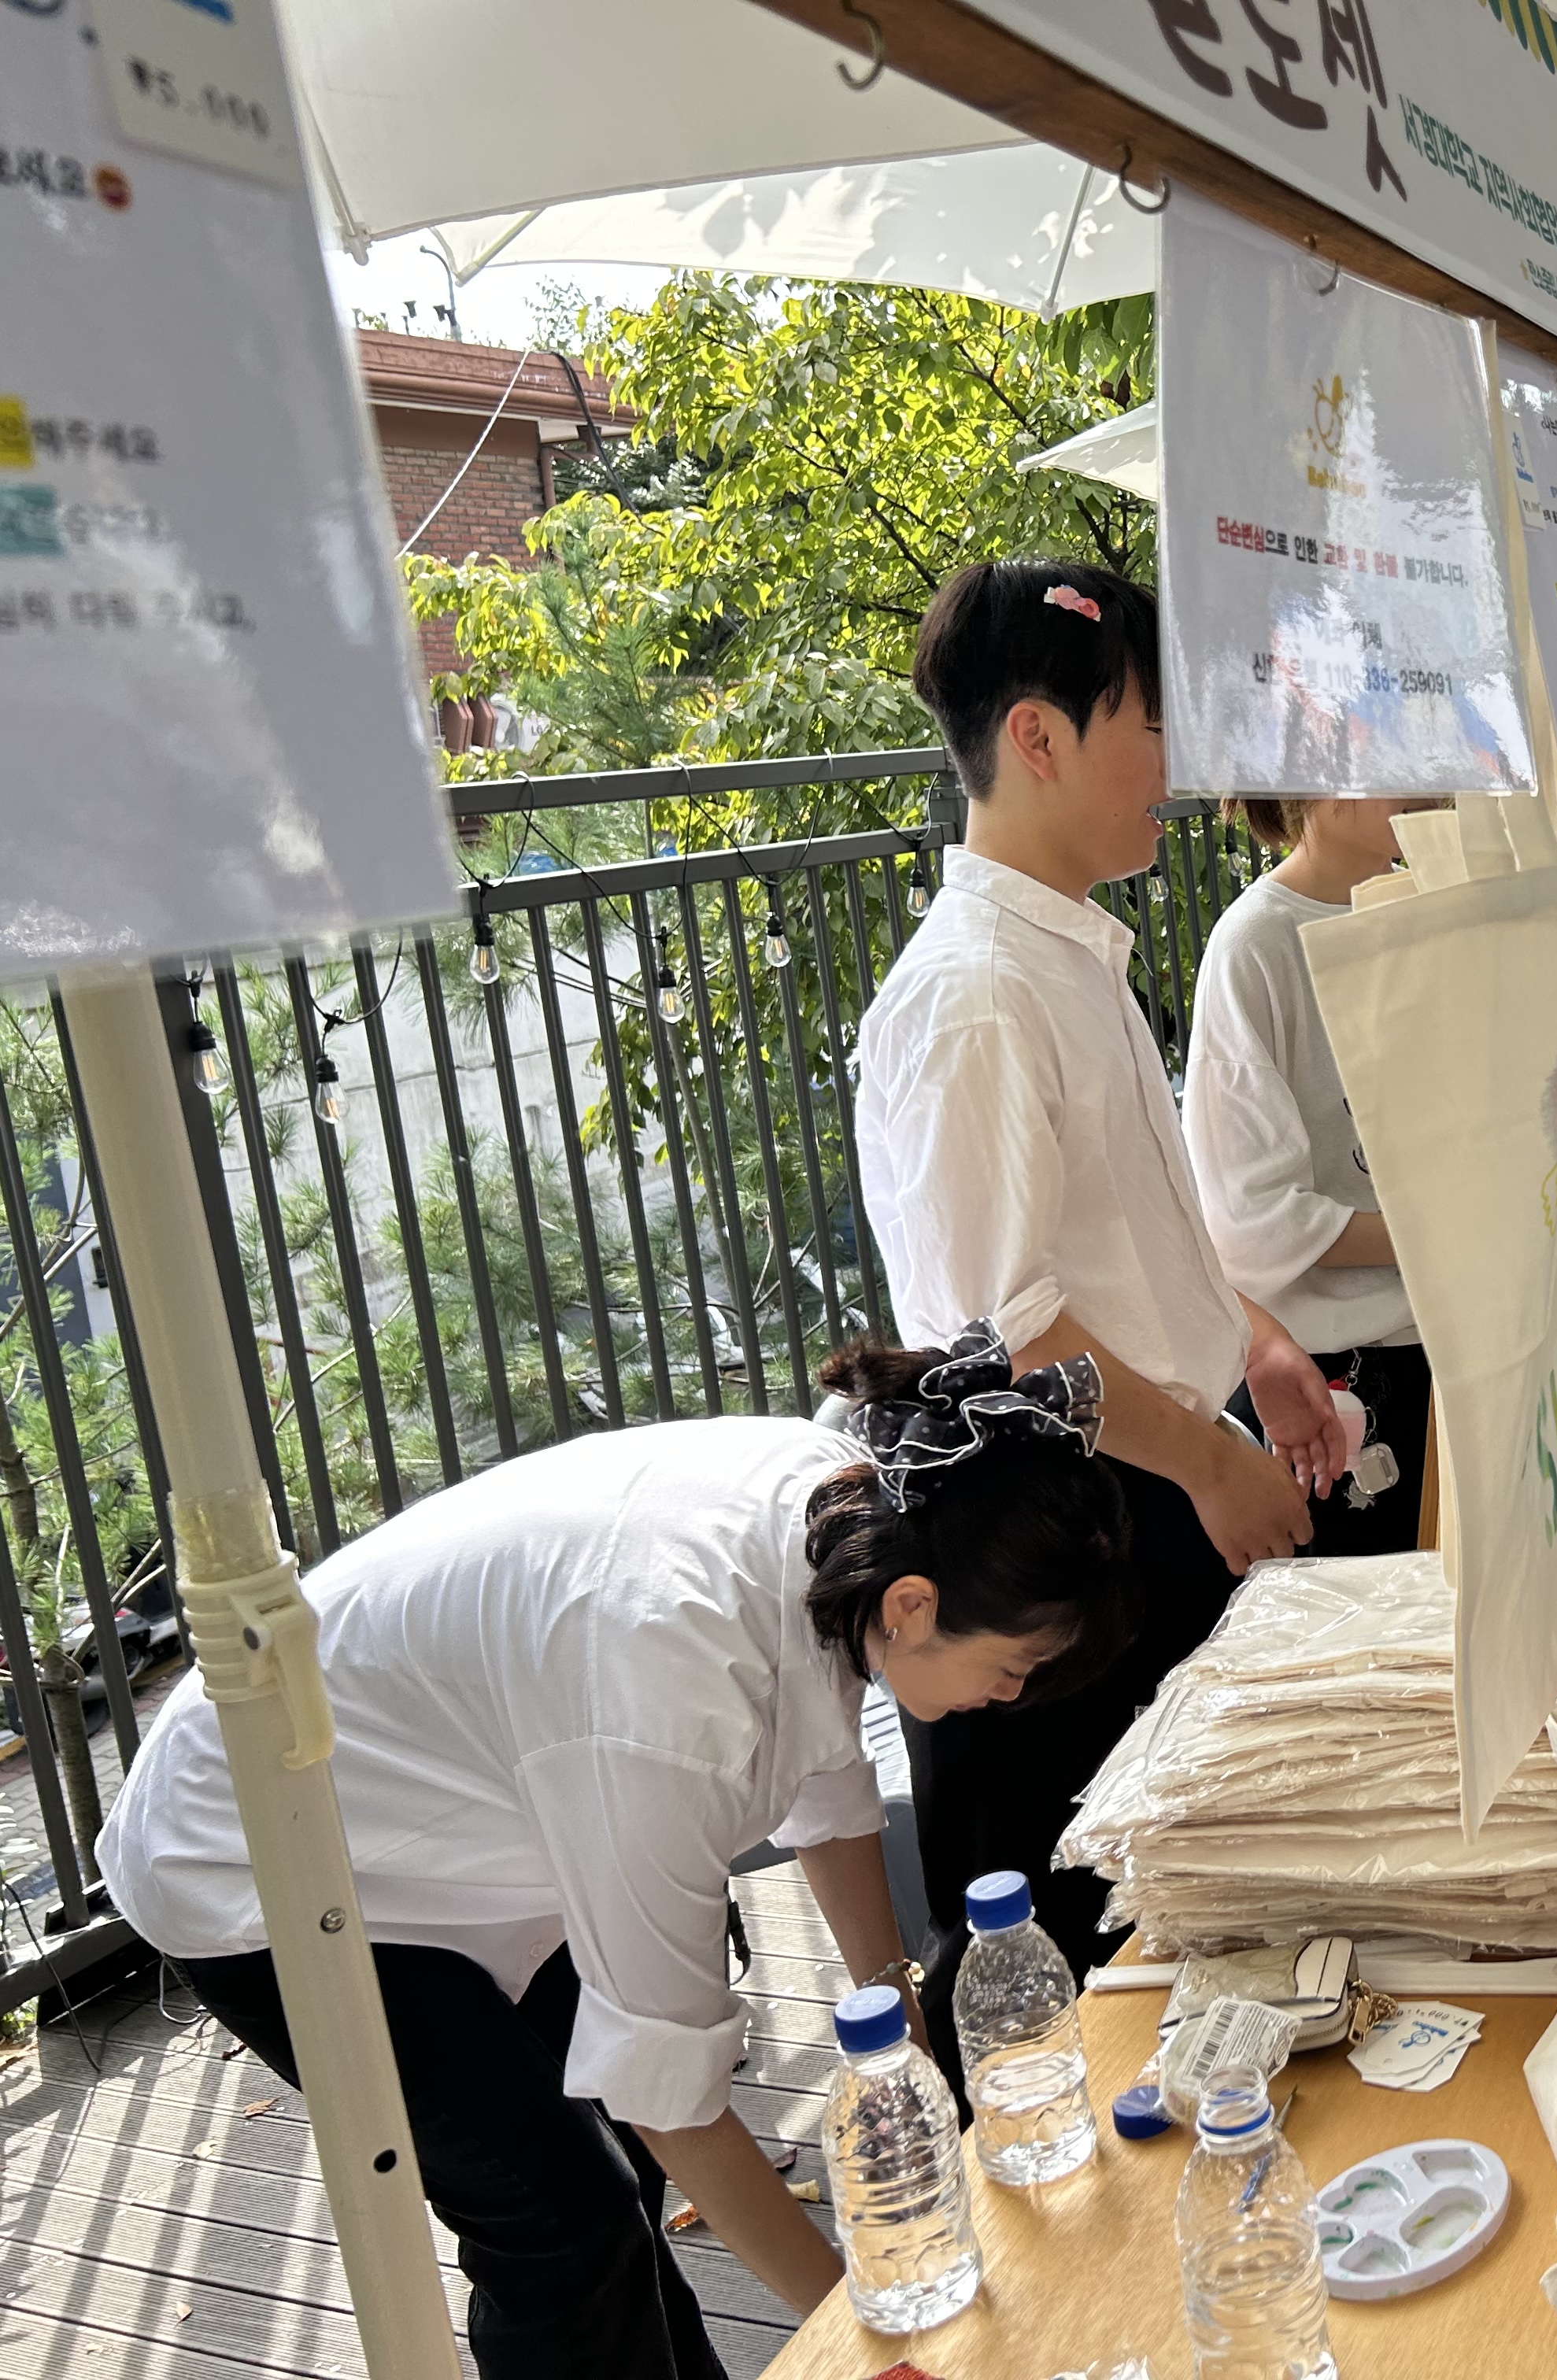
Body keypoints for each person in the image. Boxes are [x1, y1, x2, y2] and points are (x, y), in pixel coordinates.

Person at [96, 1329, 1126, 2378]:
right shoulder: (667, 1695)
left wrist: (891, 2020)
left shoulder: (865, 1510)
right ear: (914, 1609)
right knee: (558, 2219)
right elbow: (669, 2099)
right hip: (260, 1854)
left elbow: (827, 1788)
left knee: (611, 2184)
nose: (1012, 1700)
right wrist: (880, 2339)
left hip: (466, 1814)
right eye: (1013, 1669)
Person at [855, 557, 1318, 2048]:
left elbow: (1125, 1236)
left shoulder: (1059, 953)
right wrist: (1214, 1457)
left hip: (1142, 1492)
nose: (1174, 771)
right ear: (1038, 739)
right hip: (1054, 1556)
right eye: (1148, 727)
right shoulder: (975, 993)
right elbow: (1007, 1343)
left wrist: (1252, 1346)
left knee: (1163, 1926)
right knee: (1054, 1970)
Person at [1183, 796, 1437, 1558]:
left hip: (1456, 1345)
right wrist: (1445, 1238)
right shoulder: (1255, 944)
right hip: (1341, 1385)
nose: (1421, 782)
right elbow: (1250, 1217)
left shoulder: (1434, 910)